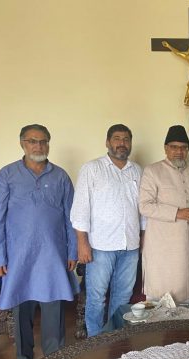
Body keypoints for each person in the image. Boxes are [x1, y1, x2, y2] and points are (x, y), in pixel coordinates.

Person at [0, 124, 79, 359]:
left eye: (43, 141)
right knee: (21, 309)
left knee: (53, 309)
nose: (38, 146)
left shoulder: (60, 176)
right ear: (22, 144)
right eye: (32, 141)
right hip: (19, 257)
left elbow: (72, 217)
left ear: (49, 144)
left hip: (52, 255)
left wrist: (72, 251)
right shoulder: (7, 174)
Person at [70, 124, 144, 337]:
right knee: (97, 297)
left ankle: (115, 338)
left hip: (130, 245)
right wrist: (82, 243)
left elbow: (142, 210)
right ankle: (95, 341)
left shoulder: (137, 170)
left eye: (126, 139)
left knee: (122, 297)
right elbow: (80, 208)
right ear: (107, 142)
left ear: (130, 143)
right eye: (117, 138)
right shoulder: (92, 168)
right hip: (100, 246)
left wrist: (143, 238)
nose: (122, 143)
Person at [138, 125, 189, 303]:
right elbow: (144, 206)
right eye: (174, 147)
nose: (179, 151)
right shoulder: (153, 171)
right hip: (162, 247)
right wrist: (177, 213)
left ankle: (185, 330)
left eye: (183, 147)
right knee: (160, 296)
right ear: (166, 148)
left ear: (188, 149)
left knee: (188, 296)